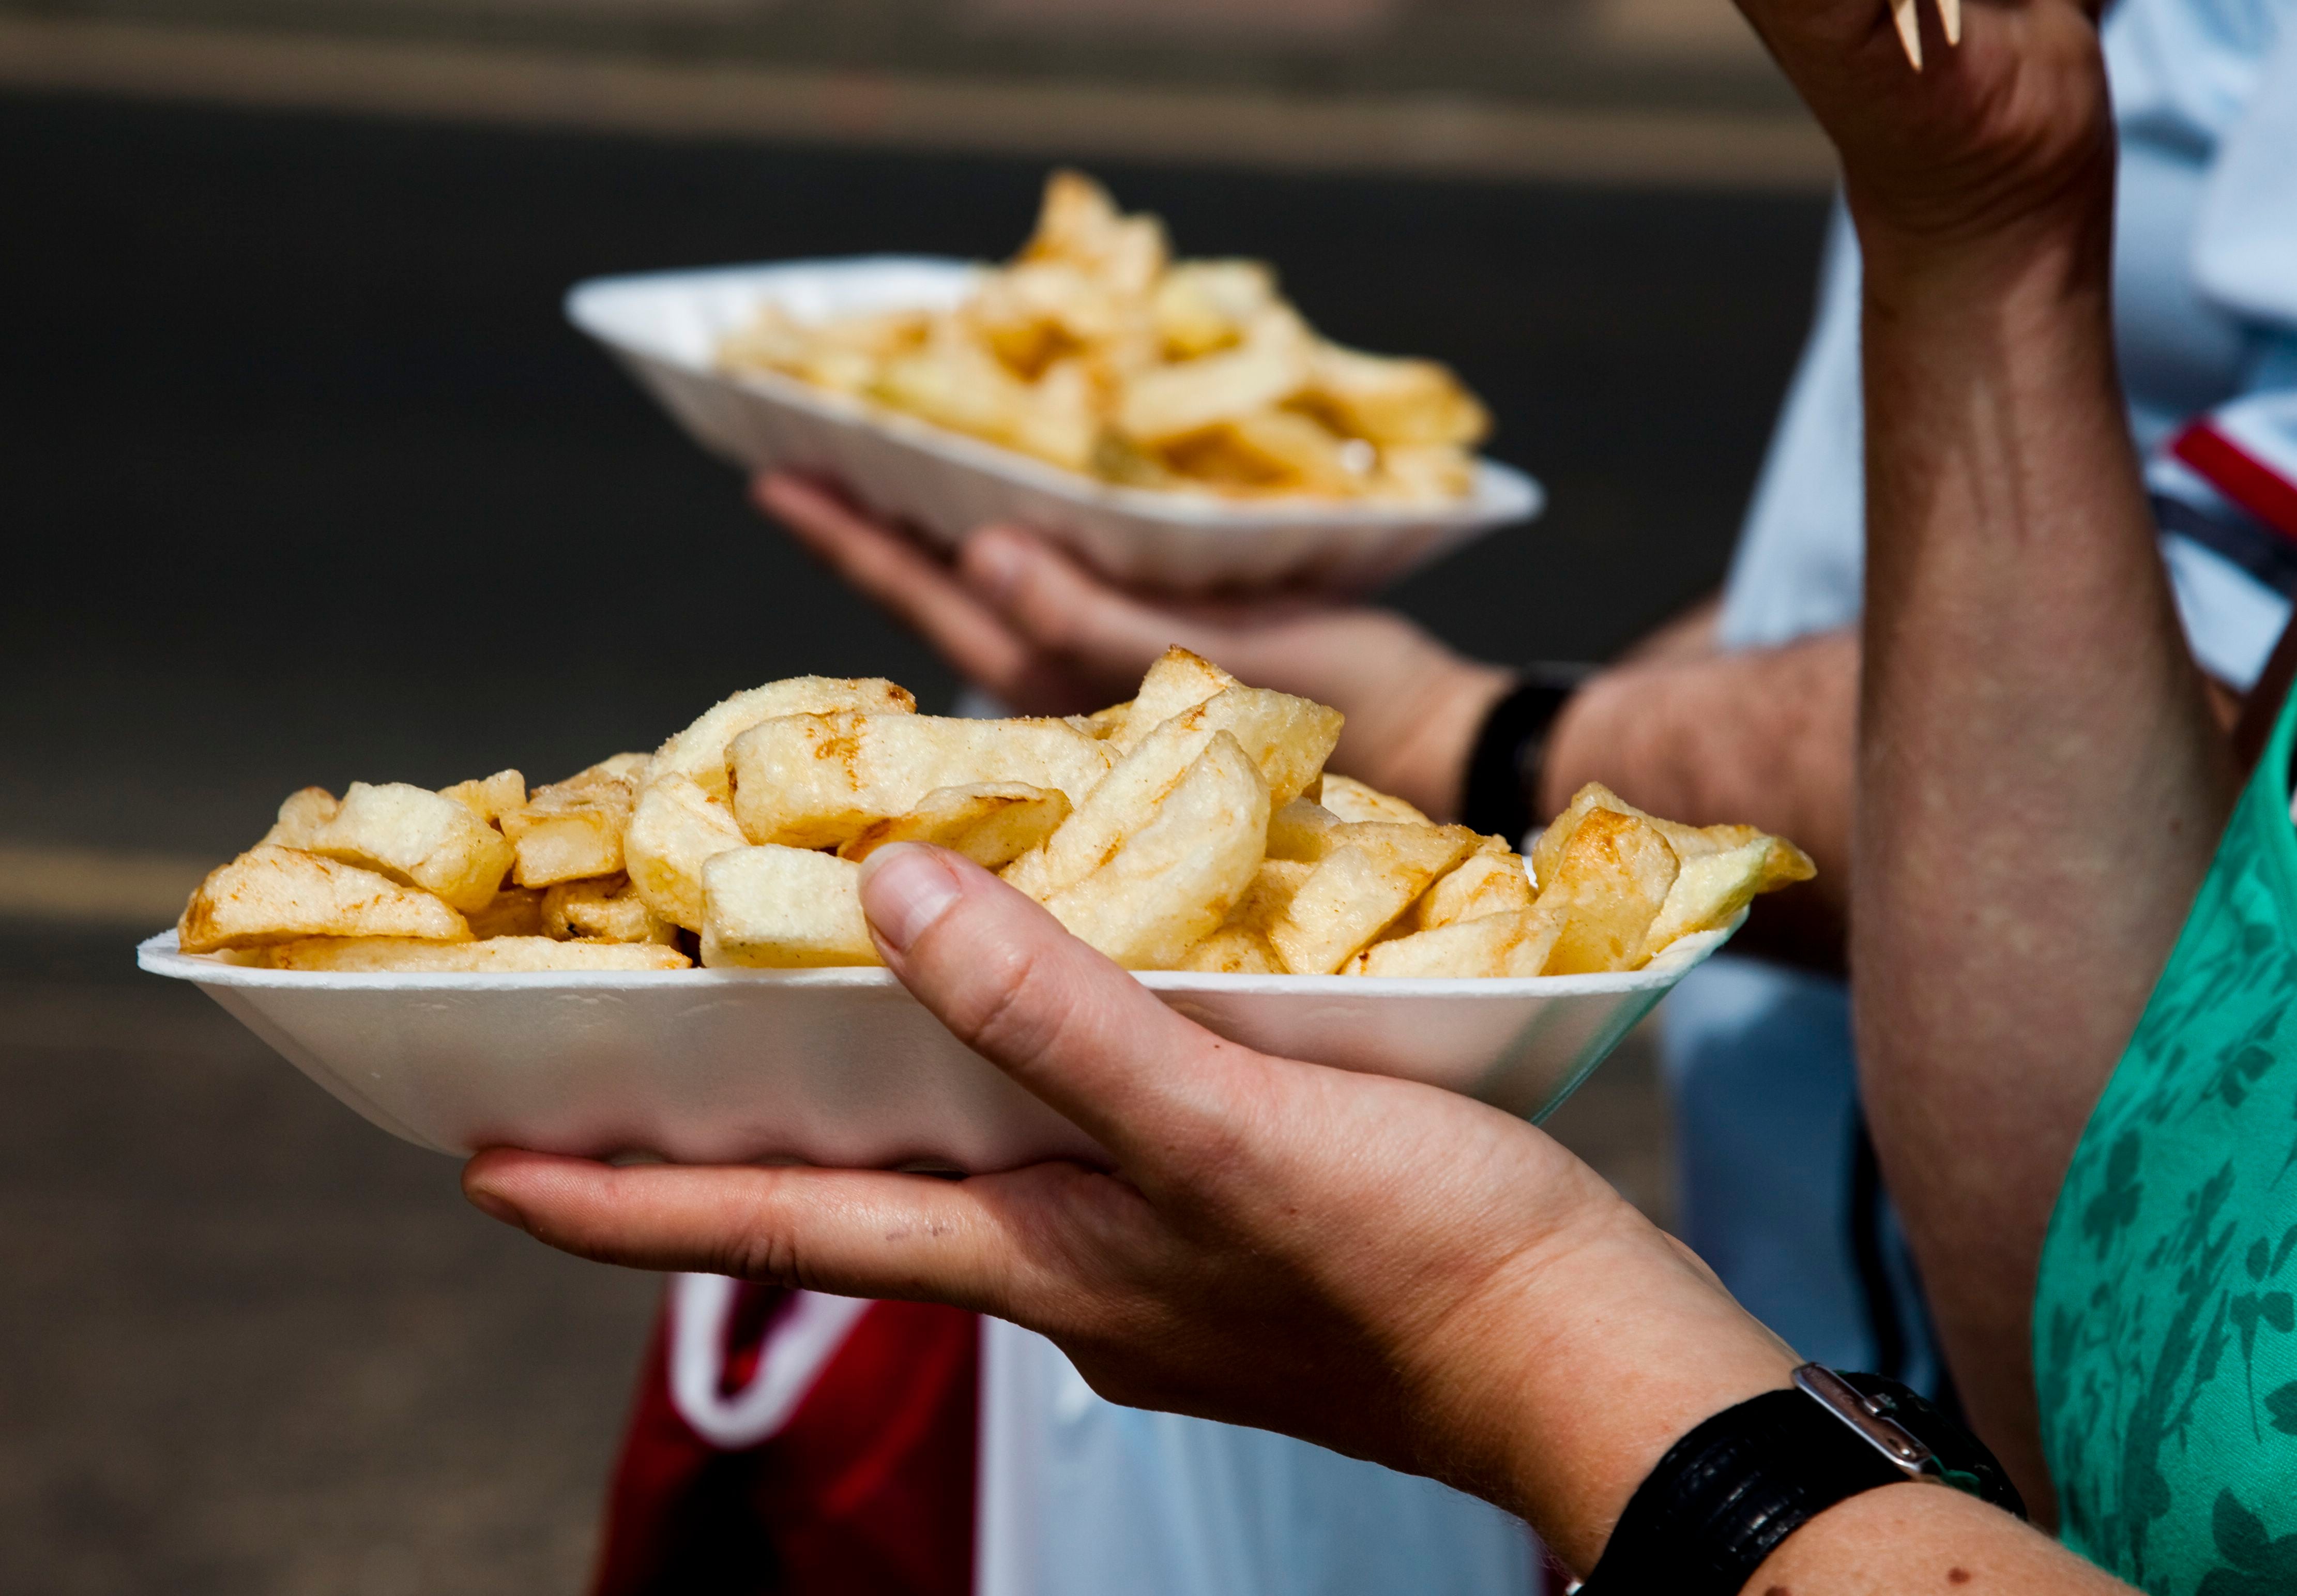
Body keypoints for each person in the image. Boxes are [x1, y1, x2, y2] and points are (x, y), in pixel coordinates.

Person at [460, 0, 2297, 1577]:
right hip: (1868, 1355)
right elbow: (2170, 1185)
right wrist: (1976, 225)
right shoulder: (2002, 93)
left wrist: (1516, 1340)